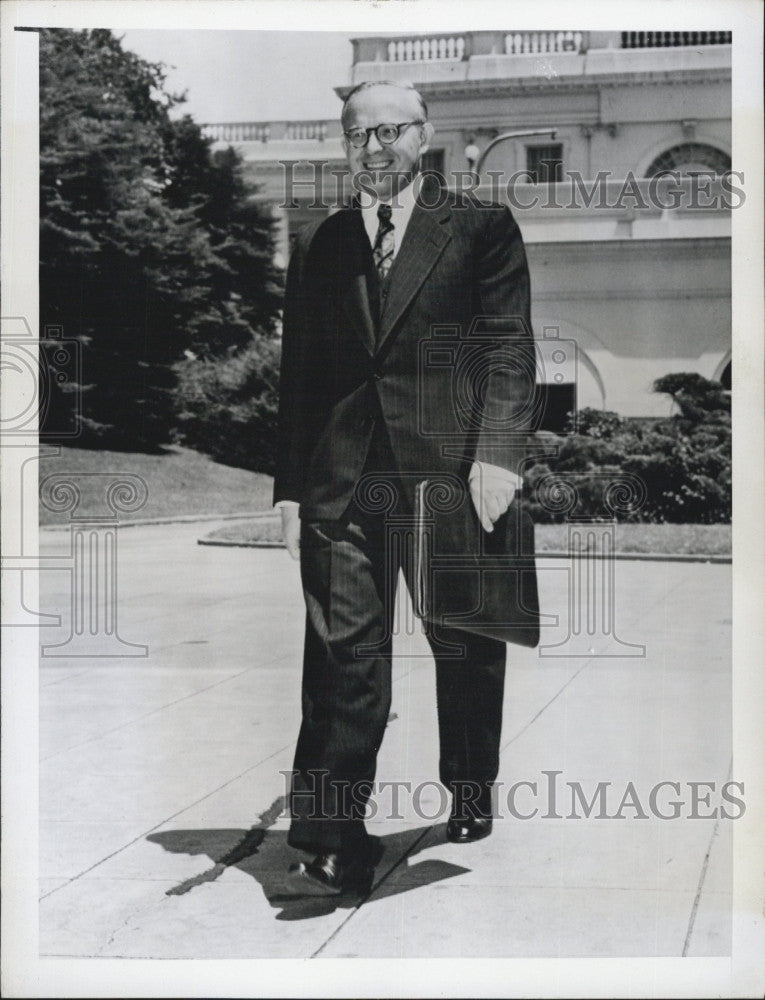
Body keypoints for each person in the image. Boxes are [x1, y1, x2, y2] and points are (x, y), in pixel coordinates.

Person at [273, 80, 534, 895]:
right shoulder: (321, 238)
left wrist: (497, 454)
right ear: (345, 145)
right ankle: (329, 830)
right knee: (343, 653)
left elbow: (506, 347)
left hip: (450, 476)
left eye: (390, 130)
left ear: (424, 135)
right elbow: (300, 373)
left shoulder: (480, 227)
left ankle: (468, 784)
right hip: (342, 482)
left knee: (462, 642)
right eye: (359, 134)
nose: (375, 146)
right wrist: (287, 487)